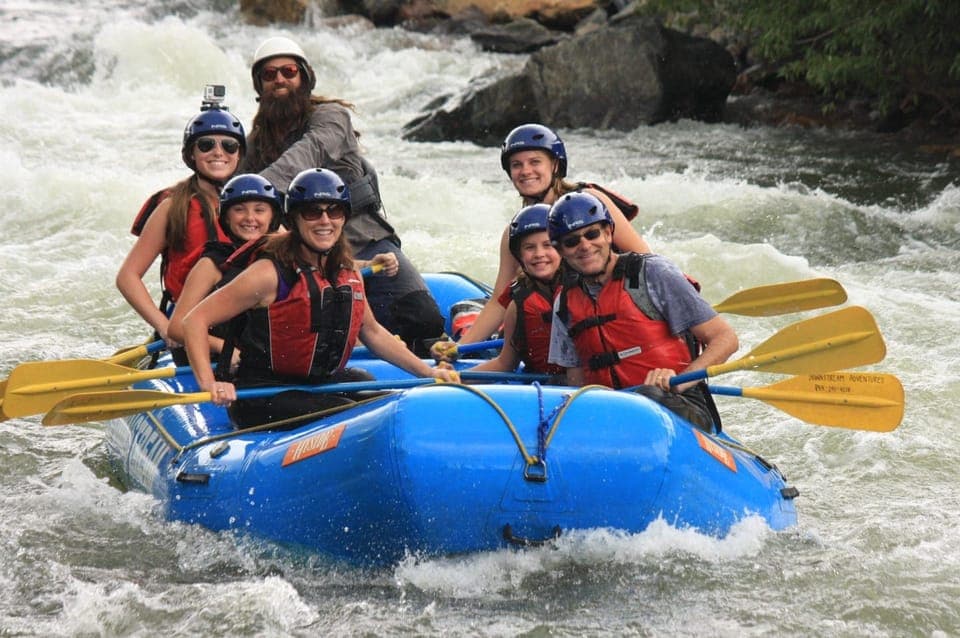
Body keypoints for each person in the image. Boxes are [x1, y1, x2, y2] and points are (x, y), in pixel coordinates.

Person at [181, 168, 458, 428]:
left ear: (344, 218)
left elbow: (372, 331)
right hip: (262, 392)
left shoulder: (348, 271)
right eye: (312, 212)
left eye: (334, 211)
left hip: (315, 382)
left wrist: (429, 373)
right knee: (357, 414)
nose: (325, 221)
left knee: (377, 393)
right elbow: (194, 320)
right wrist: (209, 383)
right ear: (293, 220)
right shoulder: (267, 273)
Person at [238, 35, 443, 355]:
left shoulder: (332, 117)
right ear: (259, 86)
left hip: (366, 241)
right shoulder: (254, 146)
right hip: (304, 256)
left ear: (304, 78)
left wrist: (254, 191)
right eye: (269, 74)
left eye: (289, 71)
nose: (280, 78)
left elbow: (307, 153)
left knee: (423, 319)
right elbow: (227, 193)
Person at [546, 192, 738, 432]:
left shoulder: (653, 273)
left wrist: (680, 381)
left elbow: (725, 338)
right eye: (572, 241)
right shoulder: (564, 302)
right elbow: (576, 383)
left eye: (592, 234)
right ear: (561, 251)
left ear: (608, 233)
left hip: (679, 404)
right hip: (614, 414)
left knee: (649, 396)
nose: (585, 246)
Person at [454, 123, 652, 346]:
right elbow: (500, 301)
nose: (525, 171)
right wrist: (459, 350)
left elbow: (646, 261)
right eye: (517, 165)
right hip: (565, 321)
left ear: (555, 165)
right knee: (465, 309)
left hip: (613, 314)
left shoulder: (590, 202)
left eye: (535, 162)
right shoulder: (517, 231)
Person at [117, 99, 245, 361]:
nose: (218, 152)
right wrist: (165, 328)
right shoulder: (173, 207)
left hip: (240, 321)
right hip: (190, 326)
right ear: (191, 155)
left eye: (229, 145)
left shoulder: (252, 207)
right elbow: (128, 277)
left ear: (239, 154)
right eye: (206, 145)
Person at [166, 173, 283, 365]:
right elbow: (176, 328)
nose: (250, 218)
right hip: (218, 360)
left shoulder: (284, 259)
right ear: (226, 218)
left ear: (273, 218)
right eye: (239, 210)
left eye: (260, 210)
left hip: (259, 360)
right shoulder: (211, 265)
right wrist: (223, 347)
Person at [444, 204, 566, 380]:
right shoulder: (518, 303)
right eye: (529, 247)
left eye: (548, 245)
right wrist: (455, 380)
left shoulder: (582, 291)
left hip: (585, 388)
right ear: (519, 256)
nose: (539, 254)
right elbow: (505, 364)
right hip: (545, 384)